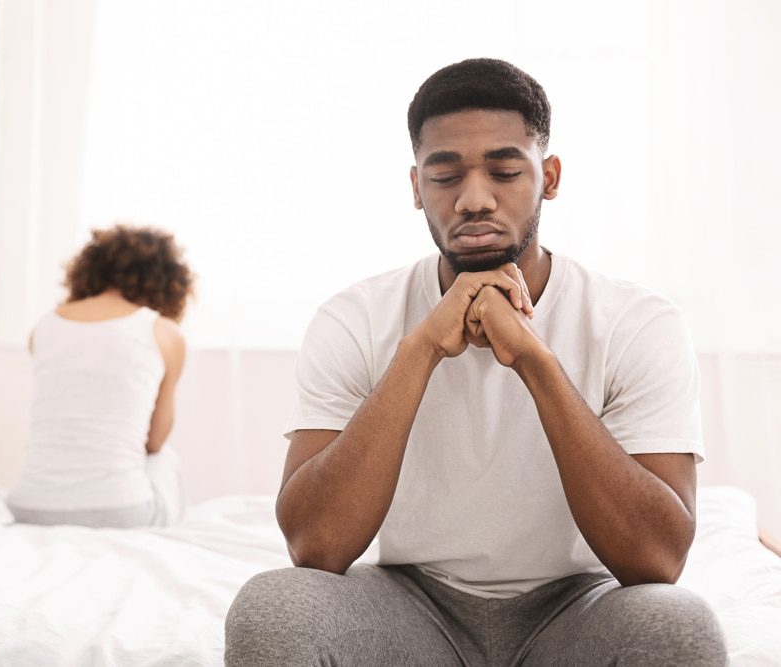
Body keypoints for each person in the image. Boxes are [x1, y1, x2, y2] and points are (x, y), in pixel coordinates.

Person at [224, 58, 727, 665]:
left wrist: (535, 362)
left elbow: (657, 559)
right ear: (416, 187)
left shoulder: (637, 321)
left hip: (576, 608)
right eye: (445, 176)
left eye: (505, 170)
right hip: (411, 607)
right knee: (272, 608)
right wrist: (422, 348)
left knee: (677, 624)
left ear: (550, 175)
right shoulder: (353, 317)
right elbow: (315, 546)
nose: (474, 199)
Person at [6, 223, 194, 529]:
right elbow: (154, 441)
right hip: (121, 511)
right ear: (168, 280)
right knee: (165, 461)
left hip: (27, 507)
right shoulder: (164, 333)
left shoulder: (43, 327)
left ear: (89, 271)